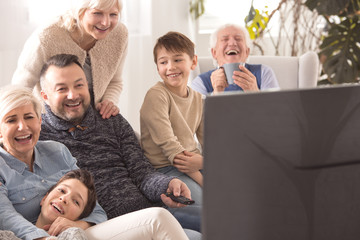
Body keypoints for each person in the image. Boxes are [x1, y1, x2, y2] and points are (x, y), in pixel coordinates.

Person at [38, 53, 201, 237]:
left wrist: (168, 185)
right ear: (45, 96)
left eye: (79, 85)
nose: (73, 95)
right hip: (106, 225)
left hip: (149, 210)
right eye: (61, 89)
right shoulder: (39, 136)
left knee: (219, 218)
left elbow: (142, 172)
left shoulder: (110, 119)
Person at [0, 85, 193, 240]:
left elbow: (95, 208)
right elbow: (5, 216)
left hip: (77, 234)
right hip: (30, 236)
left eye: (29, 117)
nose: (22, 127)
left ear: (40, 122)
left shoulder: (57, 151)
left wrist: (78, 225)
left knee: (158, 219)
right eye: (11, 120)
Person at [12, 0, 127, 119]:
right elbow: (20, 89)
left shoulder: (119, 34)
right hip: (50, 122)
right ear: (79, 11)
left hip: (94, 121)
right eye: (97, 13)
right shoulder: (46, 37)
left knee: (134, 136)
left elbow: (114, 81)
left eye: (113, 14)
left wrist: (108, 102)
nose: (105, 22)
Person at [140, 31, 203, 231]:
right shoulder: (156, 96)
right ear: (157, 67)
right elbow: (174, 153)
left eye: (177, 59)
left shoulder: (199, 99)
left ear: (193, 62)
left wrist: (204, 163)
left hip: (195, 165)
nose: (170, 67)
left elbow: (213, 144)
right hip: (167, 170)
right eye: (163, 62)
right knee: (215, 206)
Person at [190, 23, 279, 95]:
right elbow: (197, 116)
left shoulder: (264, 72)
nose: (232, 43)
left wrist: (255, 93)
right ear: (214, 53)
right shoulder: (200, 82)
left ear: (247, 52)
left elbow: (278, 113)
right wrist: (217, 93)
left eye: (238, 39)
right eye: (225, 39)